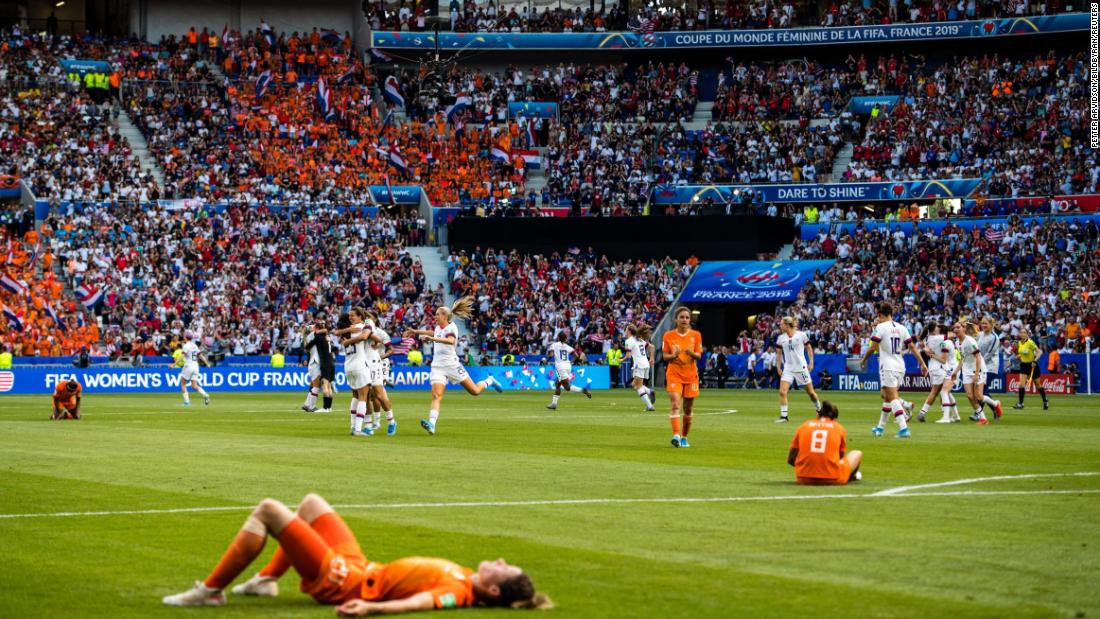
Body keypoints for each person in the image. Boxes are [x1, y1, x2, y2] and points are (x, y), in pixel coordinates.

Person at [162, 493, 552, 612]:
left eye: (503, 568)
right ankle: (266, 581)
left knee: (269, 510)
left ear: (494, 590)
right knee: (312, 504)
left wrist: (372, 608)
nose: (499, 561)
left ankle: (210, 590)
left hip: (343, 581)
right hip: (359, 566)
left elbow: (420, 602)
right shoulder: (468, 576)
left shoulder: (460, 591)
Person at [404, 297, 502, 435]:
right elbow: (434, 333)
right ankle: (432, 424)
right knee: (436, 395)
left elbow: (450, 341)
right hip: (438, 366)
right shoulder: (439, 328)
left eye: (438, 314)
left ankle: (489, 380)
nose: (435, 316)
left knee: (474, 391)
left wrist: (432, 339)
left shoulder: (452, 327)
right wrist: (416, 331)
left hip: (452, 365)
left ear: (444, 316)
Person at [860, 302, 927, 439]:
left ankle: (903, 428)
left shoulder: (880, 327)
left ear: (879, 314)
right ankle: (880, 427)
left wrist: (863, 360)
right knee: (886, 396)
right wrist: (922, 363)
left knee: (892, 397)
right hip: (900, 366)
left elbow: (873, 347)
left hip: (888, 366)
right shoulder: (902, 327)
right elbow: (912, 347)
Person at [787, 401, 862, 485]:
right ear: (835, 419)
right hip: (833, 478)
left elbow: (790, 459)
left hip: (803, 478)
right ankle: (851, 476)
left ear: (817, 415)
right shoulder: (838, 428)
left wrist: (808, 467)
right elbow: (840, 458)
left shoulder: (804, 426)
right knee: (857, 453)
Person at [335, 309, 381, 437]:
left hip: (348, 366)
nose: (351, 318)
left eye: (352, 315)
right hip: (359, 365)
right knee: (363, 397)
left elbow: (337, 332)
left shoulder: (346, 331)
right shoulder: (361, 326)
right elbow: (374, 337)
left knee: (355, 396)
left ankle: (353, 426)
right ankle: (358, 429)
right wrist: (377, 342)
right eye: (349, 316)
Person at [662, 307, 702, 448]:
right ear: (676, 319)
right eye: (682, 317)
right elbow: (665, 356)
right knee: (675, 405)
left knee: (688, 409)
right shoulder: (668, 336)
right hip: (674, 375)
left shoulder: (696, 335)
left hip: (691, 376)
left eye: (687, 317)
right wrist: (674, 355)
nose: (684, 319)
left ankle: (684, 437)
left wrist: (691, 353)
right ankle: (676, 435)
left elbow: (699, 355)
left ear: (689, 320)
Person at [774, 316, 821, 423]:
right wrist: (778, 366)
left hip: (801, 368)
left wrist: (811, 362)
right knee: (782, 392)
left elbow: (809, 348)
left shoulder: (801, 335)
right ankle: (784, 416)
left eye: (781, 324)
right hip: (788, 369)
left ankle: (819, 410)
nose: (780, 326)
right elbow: (779, 353)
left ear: (787, 325)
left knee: (811, 393)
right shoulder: (781, 338)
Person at [916, 324, 960, 424]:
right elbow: (952, 335)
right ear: (932, 331)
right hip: (938, 368)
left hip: (935, 367)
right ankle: (923, 413)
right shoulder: (936, 338)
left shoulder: (928, 338)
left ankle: (955, 415)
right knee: (936, 391)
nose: (937, 329)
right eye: (936, 328)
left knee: (945, 392)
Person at [955, 321, 994, 425]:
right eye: (954, 327)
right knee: (969, 396)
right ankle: (983, 418)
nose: (956, 329)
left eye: (958, 327)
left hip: (978, 369)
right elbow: (962, 358)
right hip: (967, 370)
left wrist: (977, 373)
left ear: (964, 329)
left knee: (979, 396)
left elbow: (978, 357)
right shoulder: (957, 342)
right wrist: (956, 371)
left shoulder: (970, 341)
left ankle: (995, 404)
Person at [366, 313, 396, 435]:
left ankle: (378, 422)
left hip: (380, 363)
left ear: (375, 319)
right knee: (371, 395)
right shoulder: (364, 330)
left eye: (370, 317)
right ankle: (375, 422)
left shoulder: (381, 333)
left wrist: (381, 356)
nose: (367, 319)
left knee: (377, 393)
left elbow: (391, 349)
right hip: (367, 363)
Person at [545, 332, 591, 410]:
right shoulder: (568, 347)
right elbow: (576, 355)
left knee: (567, 387)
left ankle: (583, 390)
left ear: (558, 338)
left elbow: (551, 354)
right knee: (558, 384)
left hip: (560, 367)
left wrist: (546, 361)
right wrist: (572, 362)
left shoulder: (554, 345)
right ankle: (554, 404)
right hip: (568, 366)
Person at [301, 320, 336, 413]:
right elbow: (324, 330)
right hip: (317, 362)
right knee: (317, 385)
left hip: (314, 362)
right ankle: (311, 406)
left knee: (313, 384)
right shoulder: (314, 335)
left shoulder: (310, 337)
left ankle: (307, 404)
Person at [623, 324, 655, 411]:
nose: (624, 331)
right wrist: (651, 358)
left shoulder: (628, 341)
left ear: (629, 331)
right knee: (634, 384)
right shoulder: (639, 339)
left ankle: (650, 406)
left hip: (639, 365)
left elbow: (628, 356)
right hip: (645, 364)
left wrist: (621, 360)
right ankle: (649, 391)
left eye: (625, 329)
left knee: (638, 386)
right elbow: (652, 347)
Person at [1014, 328, 1048, 410]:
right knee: (1021, 384)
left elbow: (1040, 352)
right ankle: (1021, 403)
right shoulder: (1019, 343)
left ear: (1027, 334)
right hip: (1024, 365)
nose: (1022, 334)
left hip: (1032, 365)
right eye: (1021, 332)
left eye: (1024, 332)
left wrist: (1035, 361)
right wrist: (1018, 356)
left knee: (1038, 385)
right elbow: (1022, 353)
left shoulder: (1030, 342)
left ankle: (1045, 400)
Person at [977, 316, 1004, 420]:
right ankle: (995, 407)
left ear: (991, 325)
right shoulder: (980, 335)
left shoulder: (994, 337)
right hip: (981, 366)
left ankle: (979, 413)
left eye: (986, 324)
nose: (983, 325)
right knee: (982, 391)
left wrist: (979, 362)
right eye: (982, 323)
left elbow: (989, 354)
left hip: (990, 367)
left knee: (981, 391)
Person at [178, 332, 211, 407]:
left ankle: (187, 402)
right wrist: (207, 363)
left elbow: (183, 356)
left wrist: (174, 364)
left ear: (186, 337)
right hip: (196, 366)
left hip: (188, 365)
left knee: (183, 383)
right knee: (194, 386)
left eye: (184, 336)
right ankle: (205, 395)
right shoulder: (195, 345)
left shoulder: (186, 346)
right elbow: (200, 355)